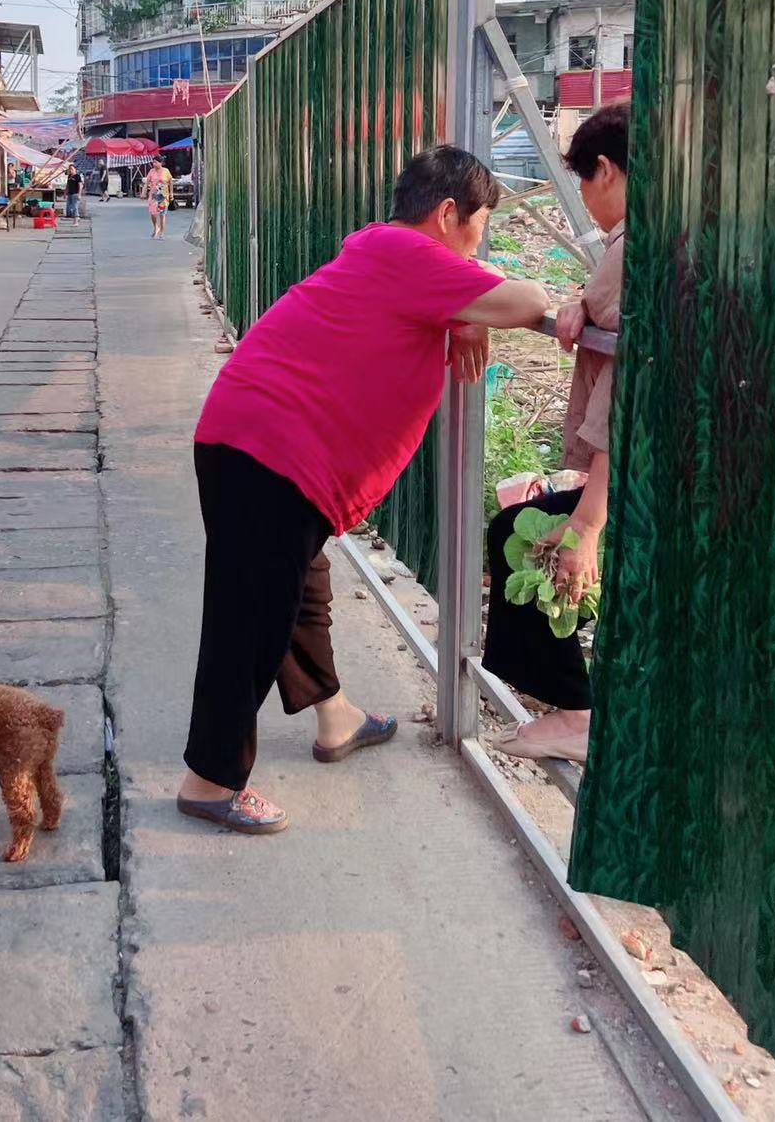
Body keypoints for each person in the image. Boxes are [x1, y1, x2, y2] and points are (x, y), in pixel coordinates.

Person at [178, 146, 551, 834]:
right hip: (272, 455)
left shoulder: (387, 254)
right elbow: (532, 301)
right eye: (479, 228)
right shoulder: (414, 258)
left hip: (258, 444)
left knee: (300, 589)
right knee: (249, 621)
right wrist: (474, 303)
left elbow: (473, 303)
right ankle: (210, 779)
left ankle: (336, 718)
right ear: (447, 215)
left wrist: (464, 311)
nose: (479, 247)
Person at [484, 103, 628, 765]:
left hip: (632, 468)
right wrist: (579, 303)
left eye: (581, 184)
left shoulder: (635, 245)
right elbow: (595, 309)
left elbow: (626, 397)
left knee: (525, 537)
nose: (585, 201)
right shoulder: (640, 241)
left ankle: (575, 712)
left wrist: (588, 523)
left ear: (604, 169)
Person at [144, 155, 173, 238]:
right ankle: (155, 227)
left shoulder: (166, 171)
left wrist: (171, 193)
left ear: (160, 163)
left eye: (155, 162)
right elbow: (147, 183)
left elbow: (170, 182)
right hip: (153, 195)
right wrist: (143, 192)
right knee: (152, 213)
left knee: (162, 214)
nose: (154, 164)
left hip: (163, 196)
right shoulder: (151, 171)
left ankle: (162, 232)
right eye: (153, 162)